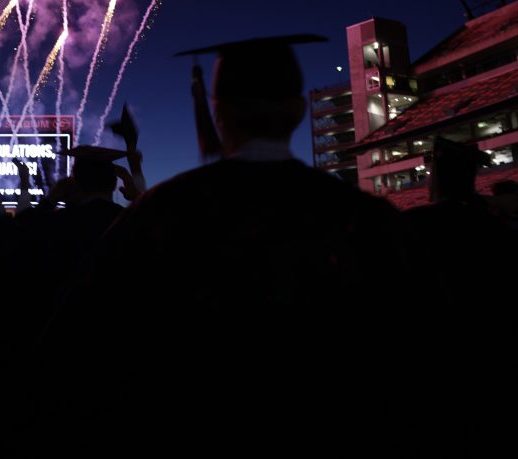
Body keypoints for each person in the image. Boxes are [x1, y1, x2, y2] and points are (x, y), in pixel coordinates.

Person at [33, 34, 411, 457]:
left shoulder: (162, 213)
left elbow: (76, 345)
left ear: (218, 112)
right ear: (298, 110)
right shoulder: (367, 219)